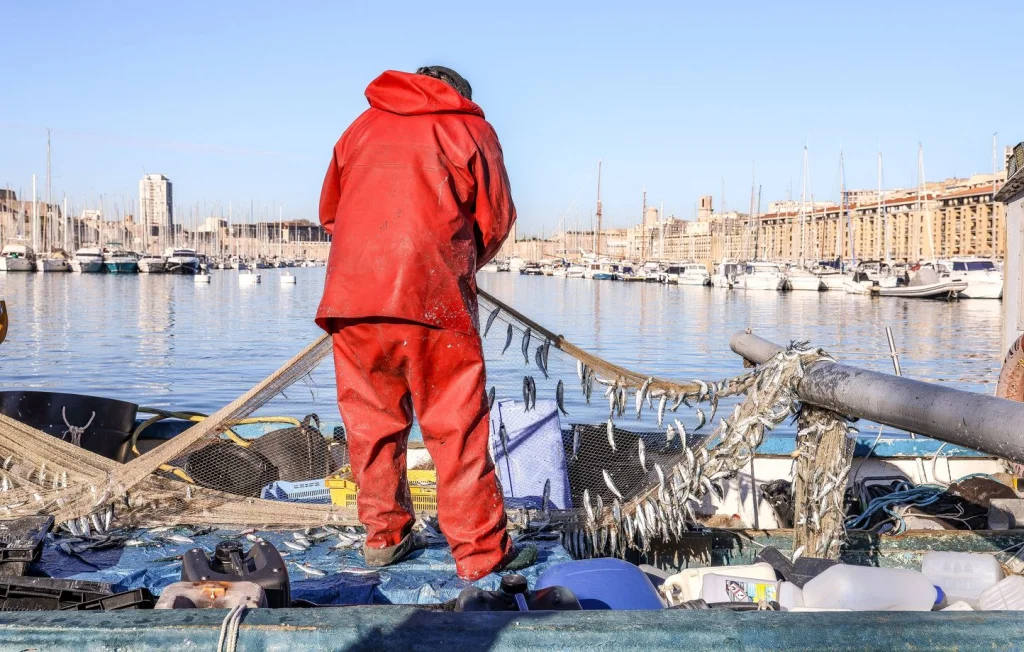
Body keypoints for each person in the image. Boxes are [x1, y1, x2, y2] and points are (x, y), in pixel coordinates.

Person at [316, 66, 535, 581]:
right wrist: (454, 265)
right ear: (459, 95)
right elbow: (496, 218)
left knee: (371, 425)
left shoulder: (359, 128)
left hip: (352, 300)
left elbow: (332, 213)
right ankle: (480, 556)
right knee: (454, 428)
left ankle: (385, 539)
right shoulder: (469, 128)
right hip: (432, 298)